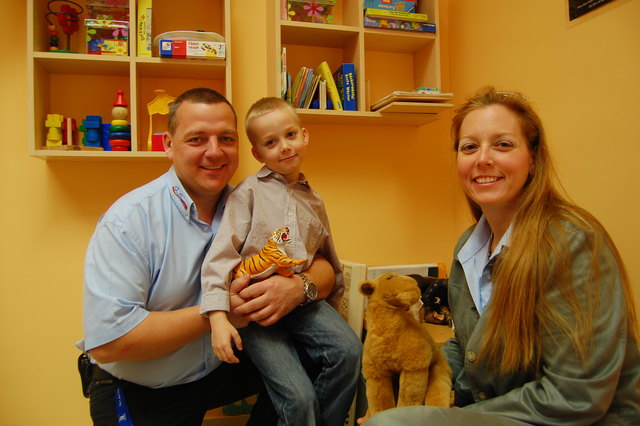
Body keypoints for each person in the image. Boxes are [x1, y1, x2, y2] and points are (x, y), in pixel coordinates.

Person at [366, 86, 640, 425]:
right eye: (469, 147)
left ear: (533, 159)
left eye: (503, 145)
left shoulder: (572, 244)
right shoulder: (468, 246)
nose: (483, 158)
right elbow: (468, 349)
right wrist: (413, 375)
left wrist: (448, 415)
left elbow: (576, 396)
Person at [77, 88, 339, 426]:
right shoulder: (129, 221)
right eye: (197, 139)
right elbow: (110, 342)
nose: (214, 152)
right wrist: (221, 312)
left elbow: (320, 265)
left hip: (222, 367)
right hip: (142, 387)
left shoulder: (253, 200)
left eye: (226, 139)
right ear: (168, 145)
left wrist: (298, 288)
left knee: (327, 355)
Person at [200, 97, 362, 426]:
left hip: (301, 301)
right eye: (271, 142)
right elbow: (220, 257)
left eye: (290, 135)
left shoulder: (314, 200)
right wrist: (217, 318)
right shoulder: (247, 194)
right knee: (298, 398)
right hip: (256, 312)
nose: (284, 147)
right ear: (257, 153)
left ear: (304, 135)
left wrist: (333, 303)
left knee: (349, 351)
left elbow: (328, 255)